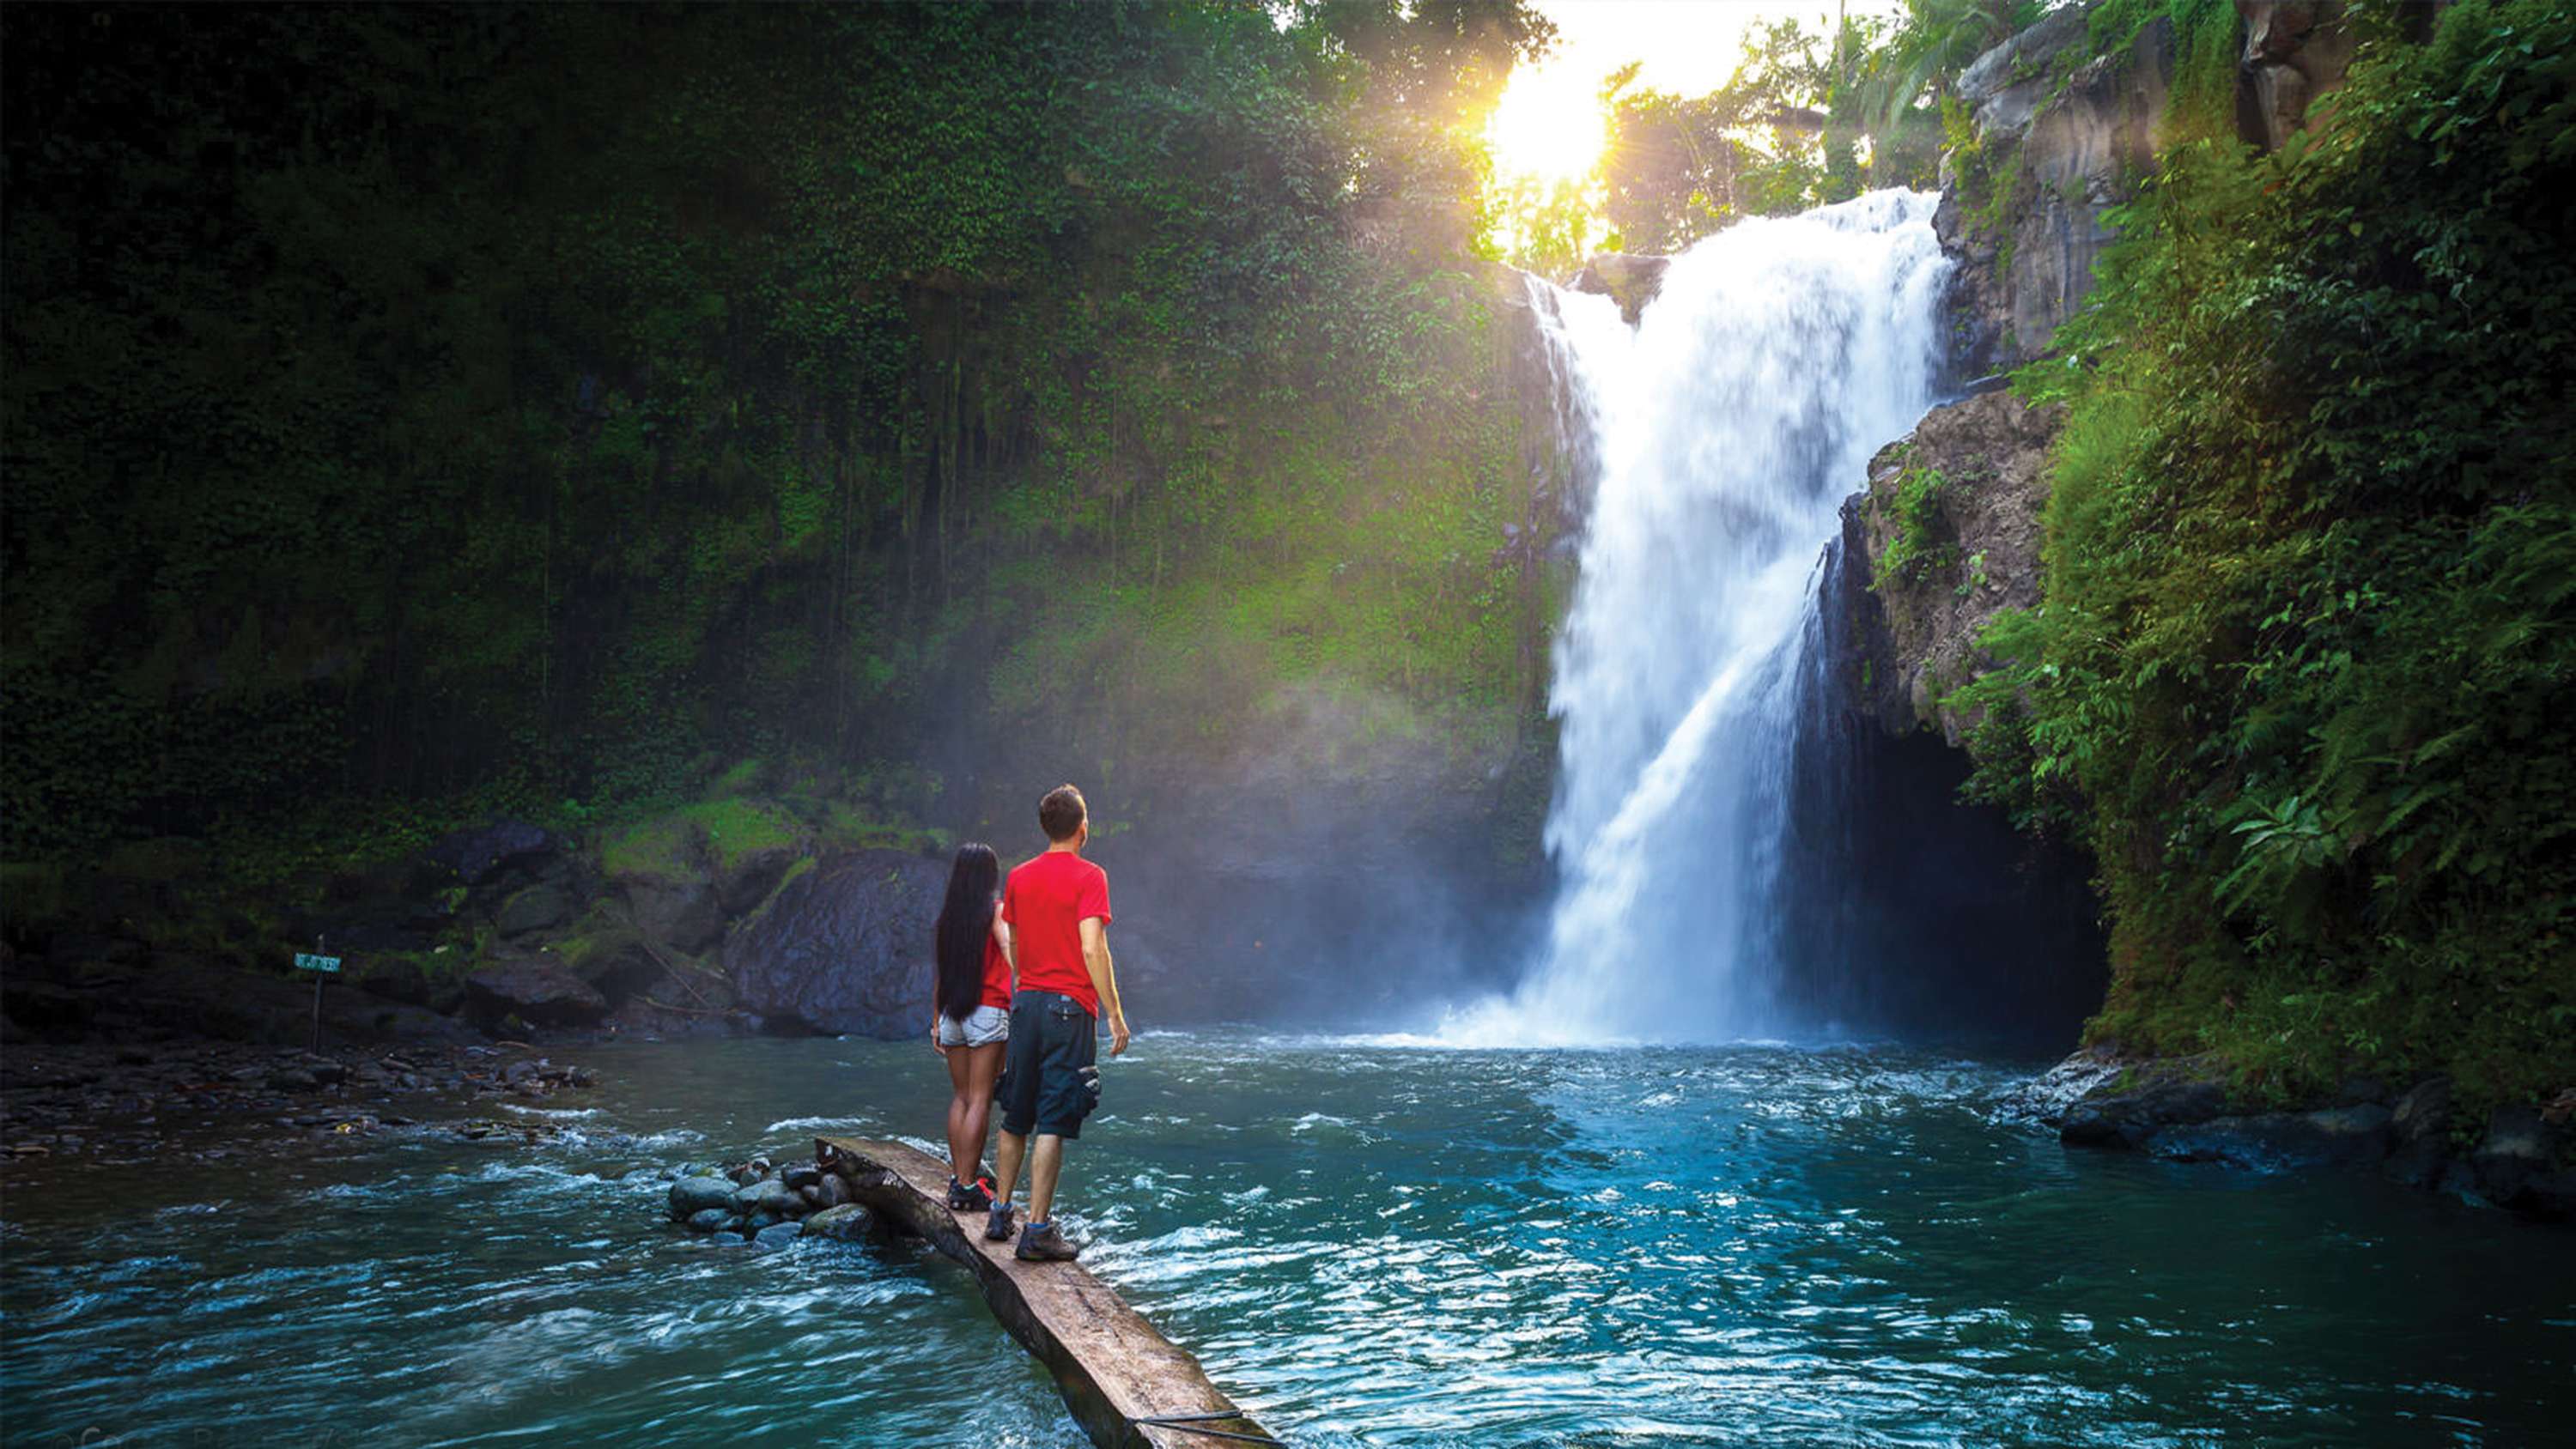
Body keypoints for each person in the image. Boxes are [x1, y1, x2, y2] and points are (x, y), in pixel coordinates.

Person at [986, 783, 1129, 1261]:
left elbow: (1014, 942)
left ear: (1045, 827)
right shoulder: (1091, 876)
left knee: (1015, 1112)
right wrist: (1114, 1011)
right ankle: (1038, 1230)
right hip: (1071, 1008)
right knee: (1053, 1116)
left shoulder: (1020, 877)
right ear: (1083, 828)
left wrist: (1025, 983)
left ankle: (1000, 1213)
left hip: (1026, 1004)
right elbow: (1093, 946)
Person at [929, 842, 1012, 1212]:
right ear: (990, 876)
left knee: (961, 1097)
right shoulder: (996, 911)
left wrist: (935, 1023)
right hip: (988, 1011)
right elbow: (1010, 950)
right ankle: (967, 1184)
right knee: (981, 1098)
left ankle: (958, 1179)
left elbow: (941, 974)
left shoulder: (948, 919)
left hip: (952, 1014)